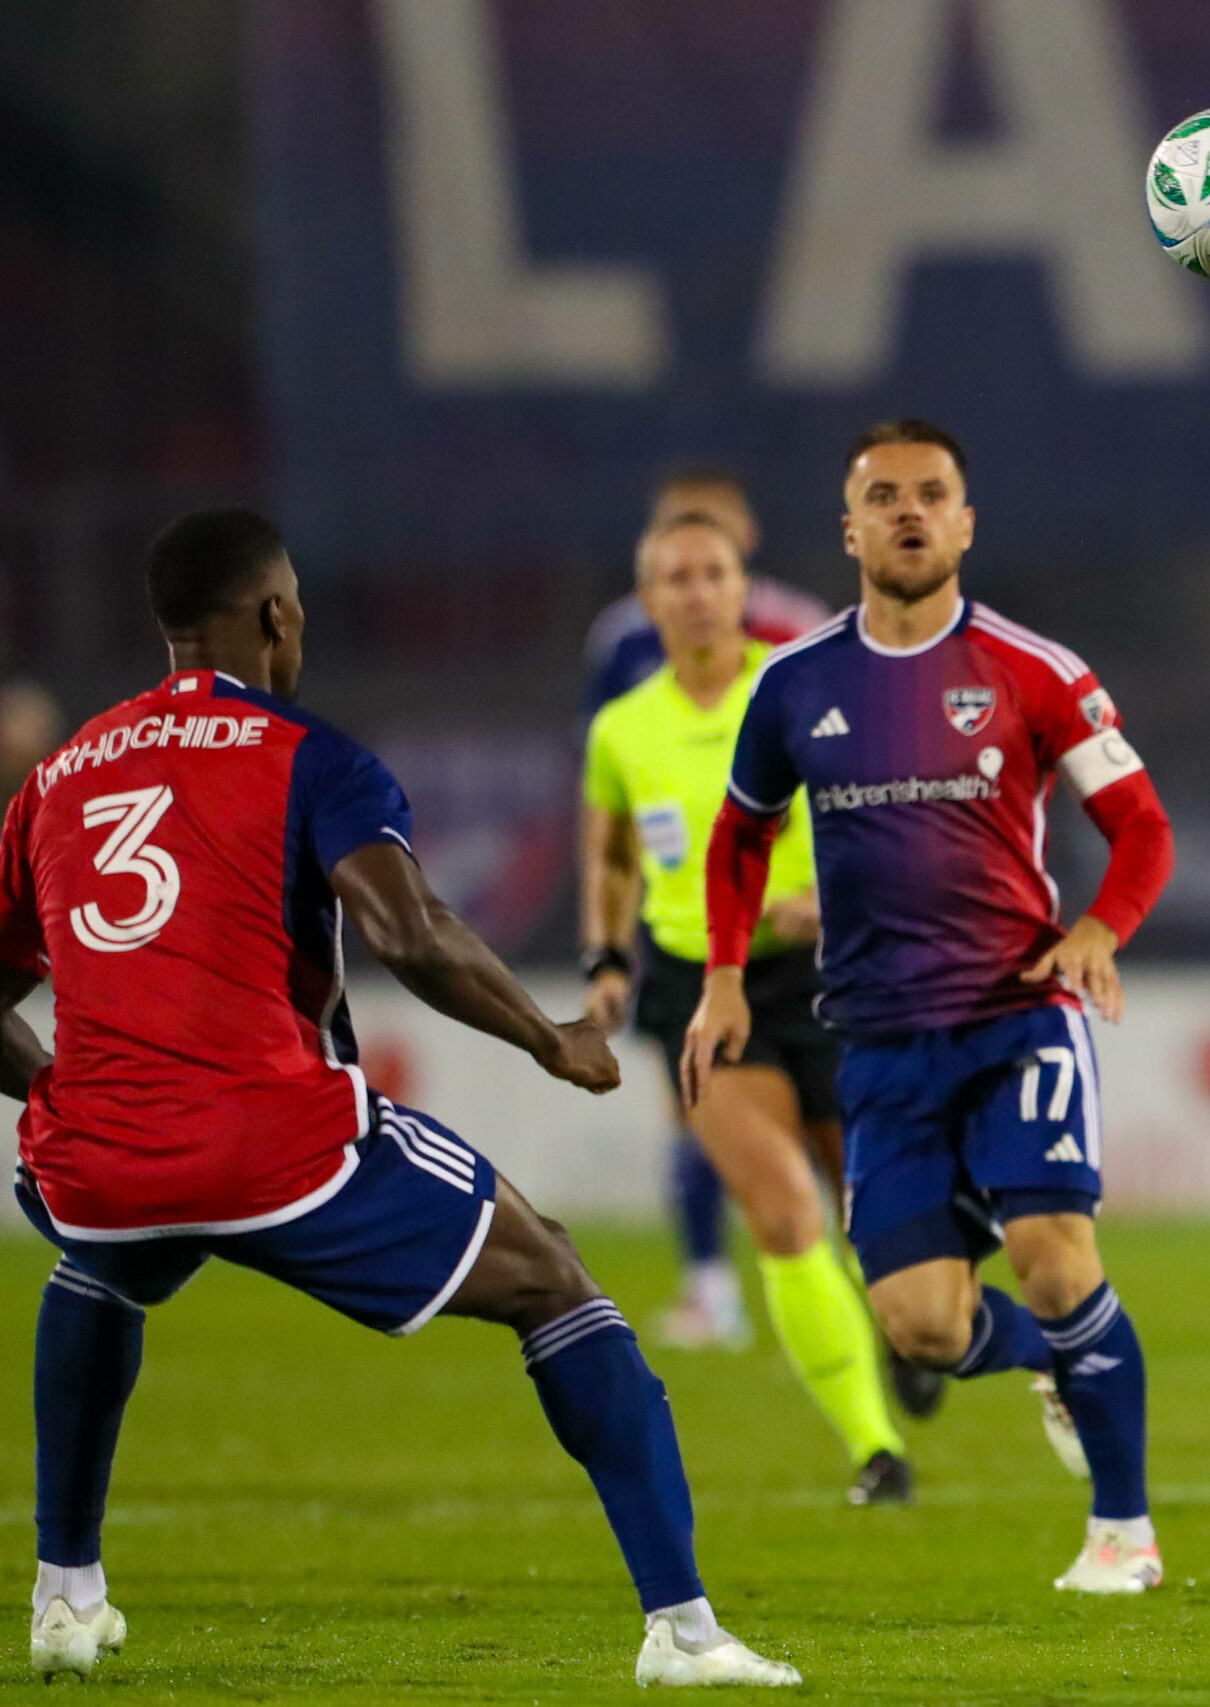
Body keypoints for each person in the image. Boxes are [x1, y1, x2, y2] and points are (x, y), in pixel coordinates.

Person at [0, 509, 797, 1686]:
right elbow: (407, 934)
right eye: (299, 602)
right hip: (275, 1143)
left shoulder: (56, 777)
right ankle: (684, 1631)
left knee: (107, 1263)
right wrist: (549, 1037)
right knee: (554, 1280)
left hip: (93, 1160)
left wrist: (59, 1090)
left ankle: (64, 1596)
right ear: (276, 613)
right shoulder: (310, 755)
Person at [682, 420, 1176, 1593]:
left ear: (965, 522)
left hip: (1017, 1017)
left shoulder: (1033, 670)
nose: (909, 513)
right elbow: (740, 836)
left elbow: (1141, 825)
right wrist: (720, 977)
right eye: (884, 497)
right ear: (849, 529)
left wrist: (1100, 928)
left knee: (1056, 1260)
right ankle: (1051, 1362)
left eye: (932, 495)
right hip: (881, 1042)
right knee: (923, 1329)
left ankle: (1123, 1534)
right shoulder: (795, 682)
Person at [584, 510, 914, 1506]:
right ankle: (876, 1449)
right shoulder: (621, 728)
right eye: (674, 578)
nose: (694, 592)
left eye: (711, 573)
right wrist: (607, 953)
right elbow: (608, 852)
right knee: (780, 1208)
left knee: (875, 1213)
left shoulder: (805, 692)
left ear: (742, 590)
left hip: (829, 972)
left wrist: (832, 900)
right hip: (698, 987)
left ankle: (911, 1330)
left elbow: (891, 812)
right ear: (649, 602)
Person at [581, 468, 829, 1352]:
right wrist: (608, 944)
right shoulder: (619, 642)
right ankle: (710, 1282)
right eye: (675, 558)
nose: (695, 585)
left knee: (845, 1144)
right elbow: (608, 778)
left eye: (712, 554)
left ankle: (882, 1290)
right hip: (683, 926)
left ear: (743, 553)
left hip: (806, 940)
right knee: (694, 1114)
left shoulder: (799, 635)